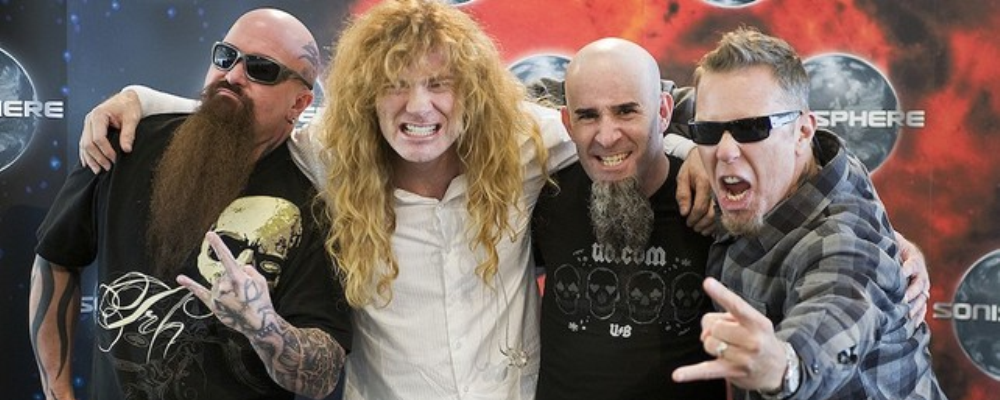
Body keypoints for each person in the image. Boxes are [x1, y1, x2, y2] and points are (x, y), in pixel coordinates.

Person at [29, 9, 351, 400]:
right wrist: (57, 390)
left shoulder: (314, 204)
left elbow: (322, 375)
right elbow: (57, 258)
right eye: (225, 56)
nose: (233, 75)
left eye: (261, 69)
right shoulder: (126, 142)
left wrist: (264, 326)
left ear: (299, 104)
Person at [670, 27, 946, 399]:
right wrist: (688, 145)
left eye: (750, 129)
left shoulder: (844, 241)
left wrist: (783, 365)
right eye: (708, 130)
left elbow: (836, 312)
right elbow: (636, 99)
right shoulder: (790, 152)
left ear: (802, 132)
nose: (725, 151)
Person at [530, 38, 726, 399]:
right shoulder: (543, 195)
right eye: (588, 116)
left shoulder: (710, 199)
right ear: (567, 123)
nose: (607, 137)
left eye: (626, 112)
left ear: (664, 112)